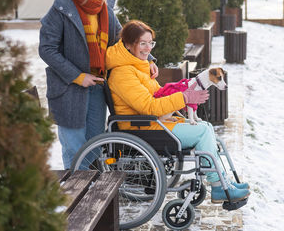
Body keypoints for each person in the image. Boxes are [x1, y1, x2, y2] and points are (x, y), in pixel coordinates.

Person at [105, 20, 250, 203]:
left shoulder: (138, 67)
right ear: (128, 44)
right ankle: (219, 186)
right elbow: (149, 106)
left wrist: (179, 96)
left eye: (151, 43)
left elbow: (157, 97)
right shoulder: (123, 74)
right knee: (203, 131)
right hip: (143, 128)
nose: (148, 48)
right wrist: (184, 98)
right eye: (143, 43)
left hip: (154, 123)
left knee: (205, 126)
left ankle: (223, 180)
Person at [38, 0, 158, 169]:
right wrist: (77, 76)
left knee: (95, 143)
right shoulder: (60, 10)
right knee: (74, 147)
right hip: (69, 89)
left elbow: (124, 38)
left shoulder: (103, 7)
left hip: (98, 86)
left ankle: (91, 190)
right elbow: (47, 50)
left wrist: (147, 57)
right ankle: (77, 195)